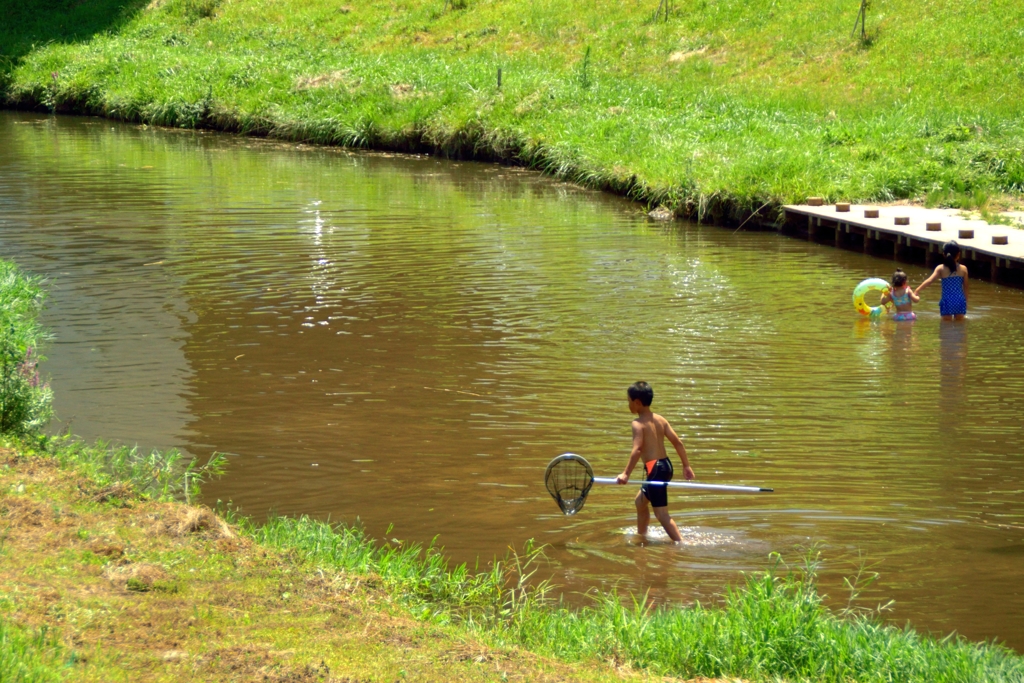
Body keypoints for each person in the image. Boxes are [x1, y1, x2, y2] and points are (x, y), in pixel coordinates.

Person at [615, 381, 695, 542]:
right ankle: (642, 537)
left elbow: (637, 450)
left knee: (661, 514)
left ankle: (683, 545)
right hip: (666, 466)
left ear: (637, 402)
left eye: (628, 401)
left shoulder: (637, 424)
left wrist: (626, 474)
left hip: (655, 470)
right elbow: (678, 442)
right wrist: (686, 465)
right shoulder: (660, 419)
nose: (628, 404)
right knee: (640, 502)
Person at [915, 241, 968, 321]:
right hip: (959, 300)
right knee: (960, 328)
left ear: (944, 254)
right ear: (958, 254)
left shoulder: (941, 268)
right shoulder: (964, 269)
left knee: (945, 328)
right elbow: (966, 287)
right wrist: (965, 301)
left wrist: (917, 290)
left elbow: (929, 281)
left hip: (947, 301)